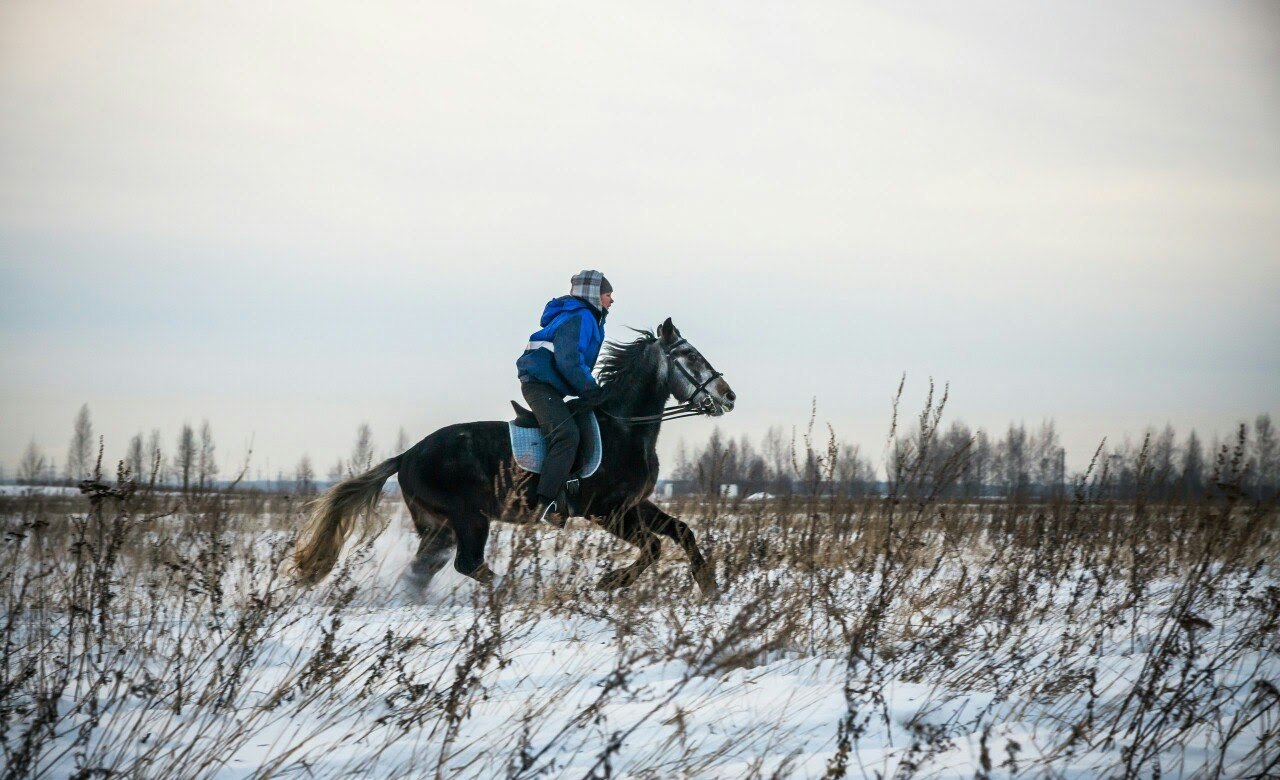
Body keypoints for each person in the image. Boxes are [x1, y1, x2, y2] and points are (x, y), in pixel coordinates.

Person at [516, 270, 614, 527]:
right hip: (539, 387)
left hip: (549, 387)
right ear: (594, 295)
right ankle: (545, 503)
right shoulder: (580, 316)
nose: (611, 300)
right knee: (567, 435)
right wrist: (593, 391)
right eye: (608, 294)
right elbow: (569, 362)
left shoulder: (585, 317)